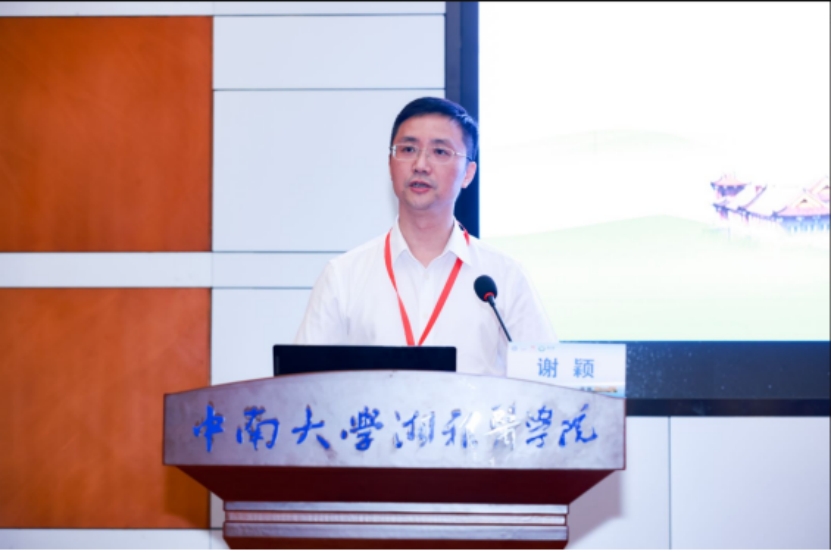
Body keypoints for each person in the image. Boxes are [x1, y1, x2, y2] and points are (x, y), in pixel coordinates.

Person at [294, 97, 556, 376]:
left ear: (468, 174)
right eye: (408, 149)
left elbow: (547, 382)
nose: (420, 164)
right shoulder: (343, 276)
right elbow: (302, 385)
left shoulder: (505, 277)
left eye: (440, 152)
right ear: (390, 164)